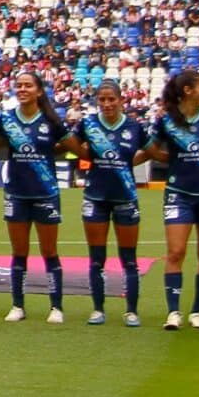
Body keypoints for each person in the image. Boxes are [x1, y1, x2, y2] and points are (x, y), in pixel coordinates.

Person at [148, 68, 199, 331]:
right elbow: (152, 149)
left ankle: (197, 312)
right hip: (178, 194)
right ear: (187, 91)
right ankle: (173, 312)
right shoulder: (166, 121)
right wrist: (170, 161)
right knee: (176, 251)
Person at [64, 79, 147, 327]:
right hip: (95, 197)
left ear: (121, 100)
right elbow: (70, 142)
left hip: (125, 198)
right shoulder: (88, 124)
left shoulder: (134, 126)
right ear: (97, 101)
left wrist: (129, 162)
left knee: (129, 258)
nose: (108, 104)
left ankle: (131, 310)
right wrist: (86, 155)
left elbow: (152, 149)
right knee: (97, 257)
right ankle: (98, 309)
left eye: (112, 99)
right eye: (102, 99)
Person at [0, 67, 67, 324]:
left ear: (39, 91)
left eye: (28, 86)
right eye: (19, 85)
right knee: (19, 252)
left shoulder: (52, 122)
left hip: (46, 193)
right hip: (16, 193)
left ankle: (56, 307)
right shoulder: (8, 119)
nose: (22, 89)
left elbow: (70, 146)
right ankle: (18, 305)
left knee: (49, 252)